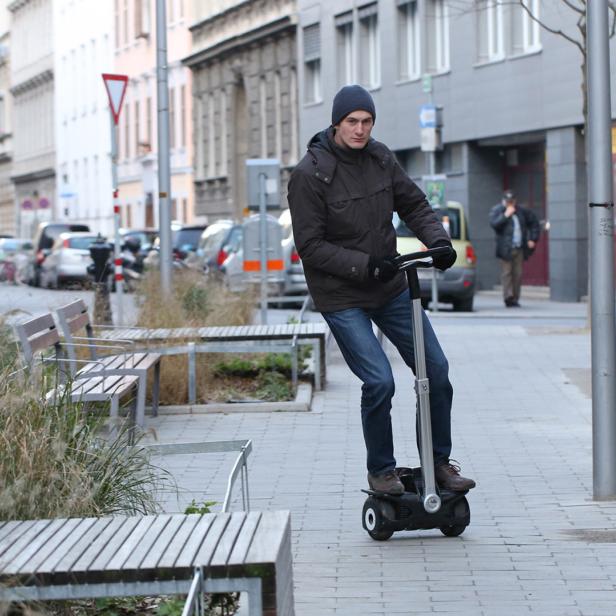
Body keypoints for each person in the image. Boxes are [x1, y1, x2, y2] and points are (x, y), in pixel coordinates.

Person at [287, 84, 475, 495]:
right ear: (337, 123)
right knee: (379, 382)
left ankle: (438, 463)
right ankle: (382, 471)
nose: (360, 129)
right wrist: (364, 265)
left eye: (367, 121)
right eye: (352, 122)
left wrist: (437, 241)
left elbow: (414, 205)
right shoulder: (309, 174)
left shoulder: (380, 157)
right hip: (342, 295)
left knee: (436, 372)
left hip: (388, 287)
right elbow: (311, 246)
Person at [489, 190, 540, 307]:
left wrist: (533, 238)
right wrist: (506, 215)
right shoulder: (498, 210)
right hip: (505, 248)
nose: (510, 204)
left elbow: (534, 223)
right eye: (508, 202)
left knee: (518, 273)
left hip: (519, 247)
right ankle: (508, 297)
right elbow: (494, 224)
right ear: (504, 202)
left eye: (512, 202)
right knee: (506, 273)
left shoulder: (522, 211)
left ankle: (515, 298)